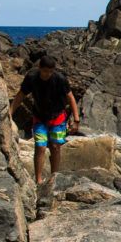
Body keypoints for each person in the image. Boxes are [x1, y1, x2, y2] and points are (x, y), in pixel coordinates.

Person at [9, 55, 79, 186]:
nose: (47, 74)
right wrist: (10, 112)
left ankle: (54, 177)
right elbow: (21, 95)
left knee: (55, 147)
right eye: (45, 71)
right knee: (40, 147)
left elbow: (71, 98)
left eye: (50, 72)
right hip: (39, 117)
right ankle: (39, 180)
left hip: (58, 117)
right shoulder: (32, 78)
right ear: (40, 68)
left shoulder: (60, 79)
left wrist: (76, 120)